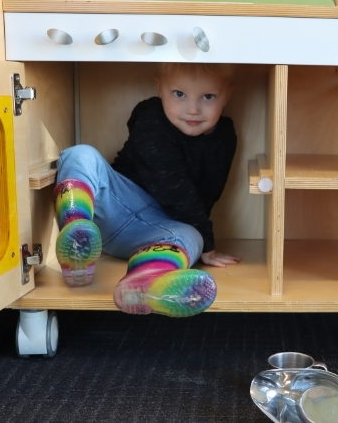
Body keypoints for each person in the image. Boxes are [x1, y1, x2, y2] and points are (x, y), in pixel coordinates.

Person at [53, 62, 240, 318]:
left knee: (189, 236)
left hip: (157, 232)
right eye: (179, 94)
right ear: (159, 88)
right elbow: (171, 184)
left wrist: (202, 240)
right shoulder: (151, 117)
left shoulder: (224, 135)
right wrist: (208, 242)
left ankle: (144, 281)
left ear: (227, 95)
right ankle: (76, 230)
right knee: (80, 154)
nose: (193, 109)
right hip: (111, 209)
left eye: (208, 96)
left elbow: (209, 191)